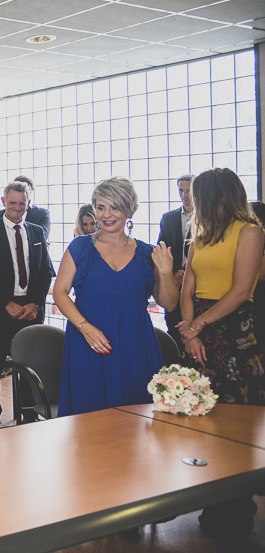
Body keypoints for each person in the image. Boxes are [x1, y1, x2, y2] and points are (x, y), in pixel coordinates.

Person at [178, 168, 265, 551]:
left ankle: (238, 513)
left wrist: (198, 324)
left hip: (233, 330)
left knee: (235, 430)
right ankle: (212, 503)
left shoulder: (250, 231)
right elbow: (187, 287)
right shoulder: (200, 234)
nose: (191, 201)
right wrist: (189, 327)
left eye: (196, 194)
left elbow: (241, 290)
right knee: (204, 423)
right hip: (199, 329)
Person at [54, 178, 178, 416]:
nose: (106, 215)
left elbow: (169, 303)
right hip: (88, 342)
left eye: (114, 207)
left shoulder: (146, 252)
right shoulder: (79, 247)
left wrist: (165, 271)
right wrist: (85, 327)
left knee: (136, 419)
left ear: (129, 209)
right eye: (100, 207)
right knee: (88, 418)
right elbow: (60, 292)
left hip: (135, 344)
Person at [0, 181, 54, 429]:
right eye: (13, 203)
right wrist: (6, 303)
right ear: (3, 202)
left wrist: (36, 305)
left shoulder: (37, 232)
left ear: (28, 203)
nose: (18, 208)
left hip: (29, 308)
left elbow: (46, 271)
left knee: (29, 361)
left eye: (22, 204)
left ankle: (29, 412)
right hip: (0, 307)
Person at [158, 174, 195, 349]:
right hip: (175, 282)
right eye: (181, 190)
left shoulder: (205, 217)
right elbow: (162, 248)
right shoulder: (169, 218)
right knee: (174, 329)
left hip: (197, 283)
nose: (184, 194)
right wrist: (171, 274)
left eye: (188, 190)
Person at [0, 175, 51, 242]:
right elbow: (1, 237)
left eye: (27, 191)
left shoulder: (42, 213)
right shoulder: (3, 213)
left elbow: (42, 237)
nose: (17, 207)